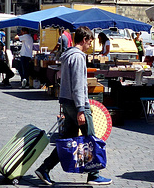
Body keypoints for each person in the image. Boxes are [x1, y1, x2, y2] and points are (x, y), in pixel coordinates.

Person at [34, 26, 111, 186]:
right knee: (91, 138)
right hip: (78, 104)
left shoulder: (67, 55)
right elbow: (77, 85)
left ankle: (45, 168)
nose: (90, 46)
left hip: (68, 101)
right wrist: (81, 110)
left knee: (67, 140)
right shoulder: (77, 57)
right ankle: (94, 174)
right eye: (89, 42)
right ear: (84, 40)